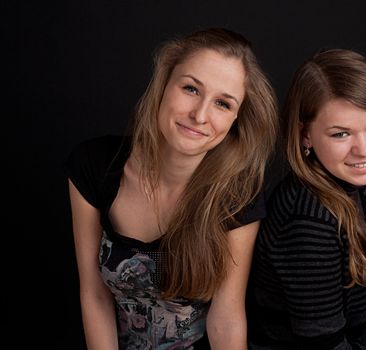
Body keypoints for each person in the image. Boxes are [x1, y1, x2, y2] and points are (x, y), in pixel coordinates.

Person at [65, 27, 278, 350]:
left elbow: (227, 317)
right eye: (191, 88)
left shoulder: (238, 195)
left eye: (223, 103)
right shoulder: (93, 165)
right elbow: (94, 294)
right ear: (164, 84)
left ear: (236, 118)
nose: (200, 115)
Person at [247, 48, 366, 350]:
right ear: (306, 136)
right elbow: (321, 342)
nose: (364, 150)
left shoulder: (363, 187)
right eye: (341, 134)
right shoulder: (307, 219)